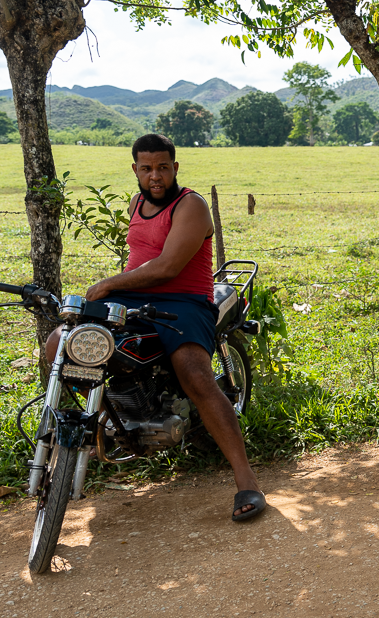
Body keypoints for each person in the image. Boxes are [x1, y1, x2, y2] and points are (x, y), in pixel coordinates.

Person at [48, 133, 266, 521]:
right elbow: (141, 260)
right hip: (134, 296)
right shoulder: (136, 203)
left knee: (195, 375)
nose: (155, 176)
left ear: (175, 168)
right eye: (147, 168)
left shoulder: (192, 206)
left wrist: (111, 283)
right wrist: (117, 288)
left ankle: (246, 478)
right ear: (135, 170)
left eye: (163, 167)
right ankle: (105, 420)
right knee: (61, 345)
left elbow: (167, 267)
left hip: (185, 302)